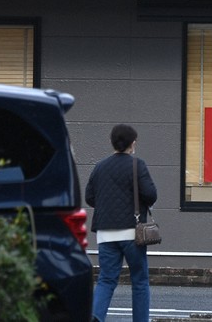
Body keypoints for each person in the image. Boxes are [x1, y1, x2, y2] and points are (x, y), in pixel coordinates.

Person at [86, 124, 157, 322]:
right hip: (131, 233)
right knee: (140, 281)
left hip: (105, 233)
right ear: (132, 143)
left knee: (106, 279)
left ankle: (95, 317)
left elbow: (90, 197)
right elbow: (151, 194)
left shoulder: (99, 167)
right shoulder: (137, 165)